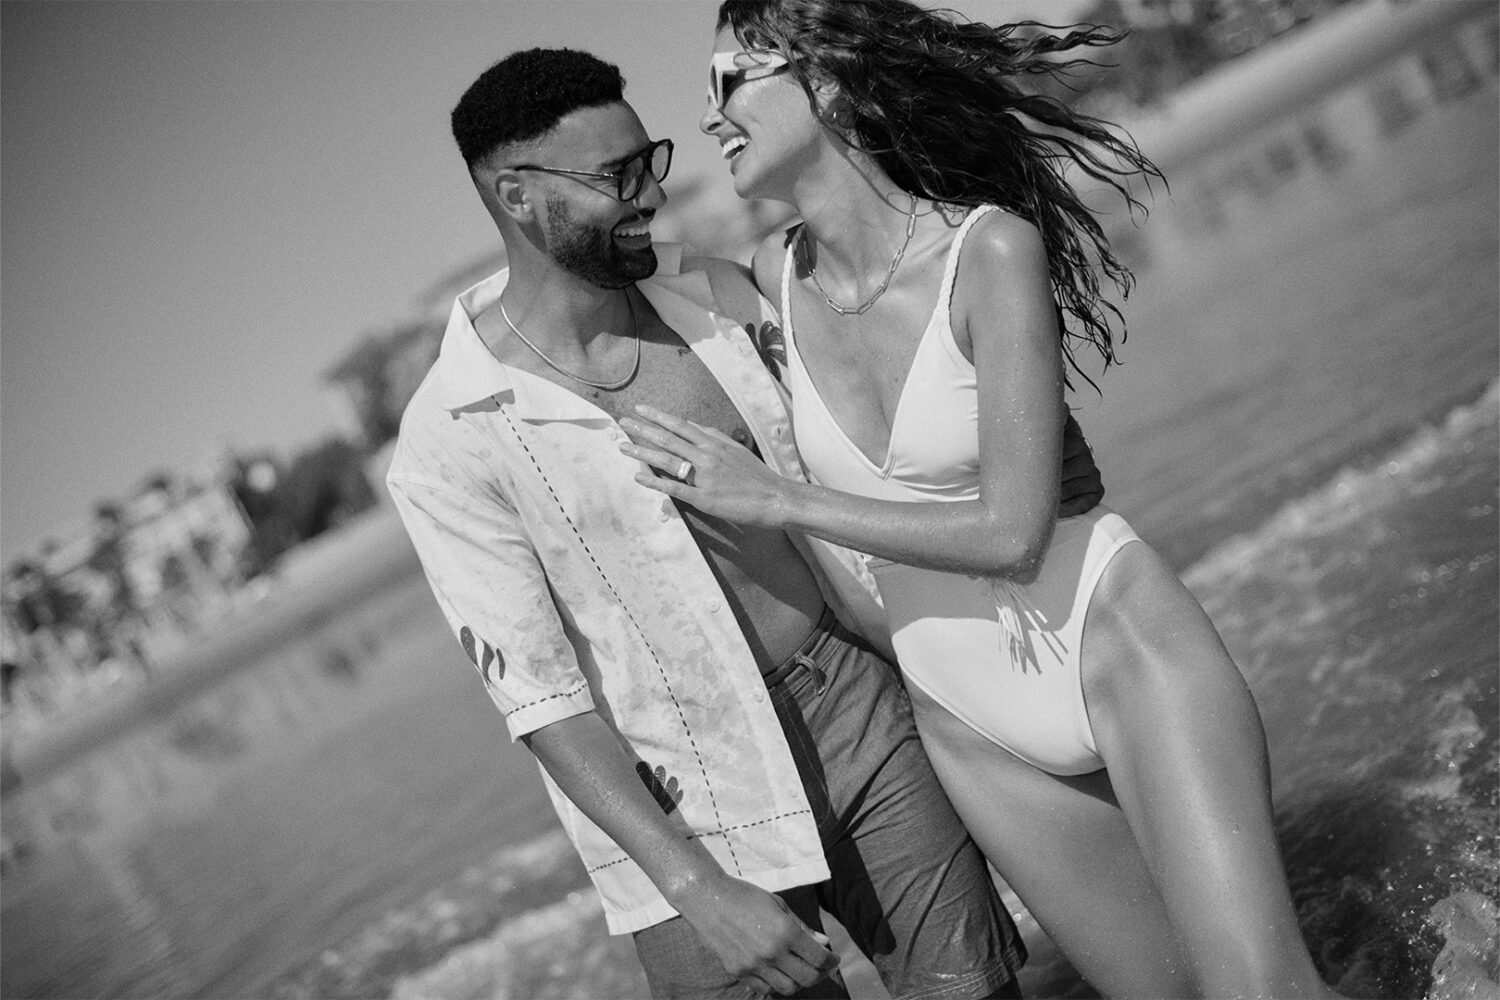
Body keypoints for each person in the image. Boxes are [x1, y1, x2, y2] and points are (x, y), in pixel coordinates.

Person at [619, 3, 1343, 998]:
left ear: (828, 78)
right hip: (970, 722)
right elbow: (609, 301)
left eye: (729, 83)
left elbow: (1011, 529)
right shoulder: (763, 293)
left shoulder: (988, 251)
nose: (708, 116)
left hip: (1109, 643)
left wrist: (779, 500)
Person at [387, 46, 1105, 1000]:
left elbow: (881, 393)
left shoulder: (719, 297)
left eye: (651, 159)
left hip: (858, 709)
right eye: (617, 177)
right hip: (676, 799)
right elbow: (540, 700)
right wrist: (695, 886)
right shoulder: (451, 436)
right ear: (519, 197)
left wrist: (1032, 429)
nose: (651, 192)